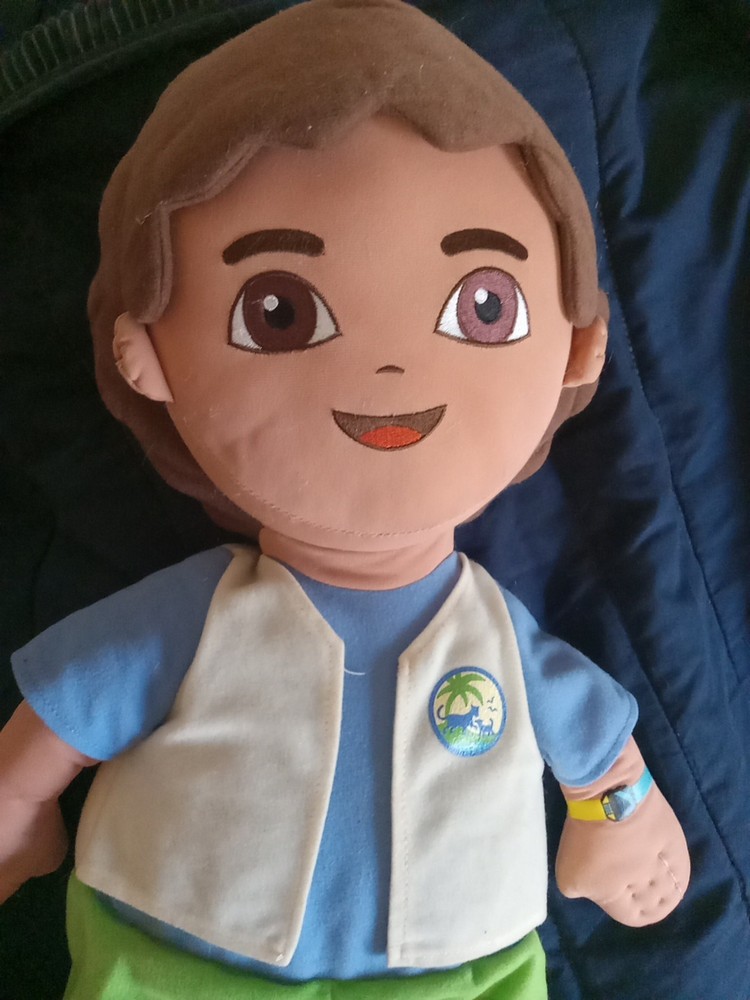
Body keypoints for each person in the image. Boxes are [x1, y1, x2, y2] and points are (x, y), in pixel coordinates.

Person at [0, 2, 690, 996]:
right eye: (277, 312)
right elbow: (68, 712)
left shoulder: (501, 640)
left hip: (459, 967)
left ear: (575, 353)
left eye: (484, 307)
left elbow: (595, 747)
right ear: (147, 358)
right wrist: (18, 804)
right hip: (175, 957)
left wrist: (620, 821)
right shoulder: (198, 617)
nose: (392, 367)